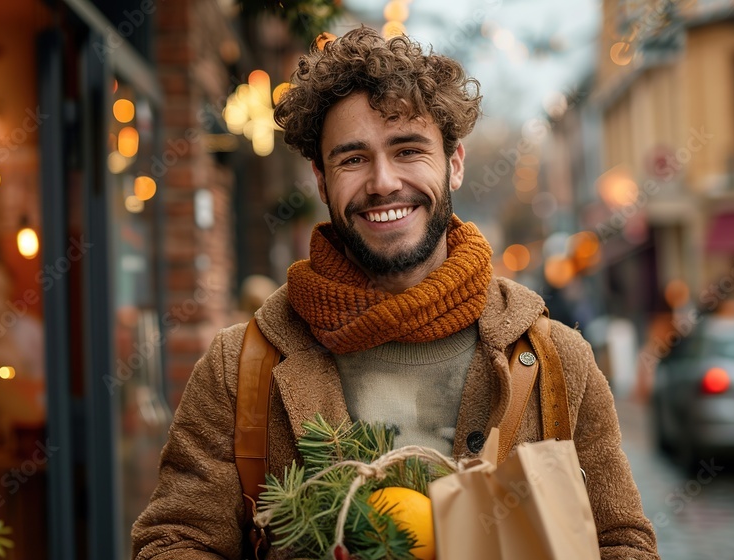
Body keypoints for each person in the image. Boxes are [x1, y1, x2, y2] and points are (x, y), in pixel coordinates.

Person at [132, 27, 659, 559]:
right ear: (321, 179)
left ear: (454, 163)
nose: (383, 182)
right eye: (352, 159)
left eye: (408, 150)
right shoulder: (239, 366)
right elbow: (174, 542)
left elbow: (622, 543)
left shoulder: (555, 362)